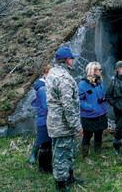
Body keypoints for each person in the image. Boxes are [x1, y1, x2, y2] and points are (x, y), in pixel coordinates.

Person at [46, 46, 84, 192]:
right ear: (68, 60)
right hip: (63, 124)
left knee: (70, 150)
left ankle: (69, 177)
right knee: (62, 154)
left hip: (59, 123)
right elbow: (68, 106)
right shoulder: (64, 79)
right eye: (72, 59)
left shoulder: (53, 73)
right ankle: (60, 185)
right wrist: (77, 126)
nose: (73, 61)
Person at [78, 62, 108, 160]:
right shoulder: (82, 85)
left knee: (99, 133)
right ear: (93, 71)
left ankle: (98, 152)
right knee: (87, 135)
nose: (101, 71)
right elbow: (79, 100)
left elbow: (103, 97)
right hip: (89, 115)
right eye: (99, 70)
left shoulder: (100, 83)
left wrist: (105, 110)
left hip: (100, 113)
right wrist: (90, 107)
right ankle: (85, 156)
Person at [29, 65, 53, 174]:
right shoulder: (43, 87)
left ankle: (43, 159)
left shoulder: (47, 84)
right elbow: (46, 105)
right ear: (46, 74)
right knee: (42, 138)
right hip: (44, 116)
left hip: (47, 115)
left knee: (46, 139)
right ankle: (36, 156)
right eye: (51, 73)